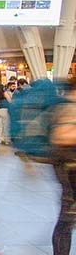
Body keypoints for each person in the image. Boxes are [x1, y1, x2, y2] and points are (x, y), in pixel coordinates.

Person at [50, 78, 76, 255]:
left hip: (68, 167)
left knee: (67, 218)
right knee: (67, 219)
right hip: (70, 168)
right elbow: (60, 136)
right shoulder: (68, 107)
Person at [0, 79, 12, 145]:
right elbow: (10, 100)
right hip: (5, 110)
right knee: (6, 125)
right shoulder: (4, 93)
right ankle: (7, 140)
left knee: (0, 126)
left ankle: (0, 139)